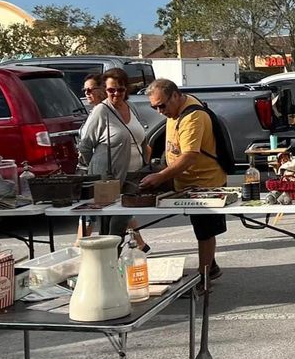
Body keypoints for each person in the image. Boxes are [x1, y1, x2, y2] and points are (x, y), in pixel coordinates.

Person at [140, 79, 227, 282]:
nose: (160, 111)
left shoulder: (193, 116)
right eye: (154, 107)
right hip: (186, 181)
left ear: (176, 95)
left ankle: (205, 278)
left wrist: (161, 176)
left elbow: (190, 156)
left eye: (162, 105)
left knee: (204, 231)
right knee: (201, 228)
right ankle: (210, 265)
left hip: (205, 182)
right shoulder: (175, 110)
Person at [77, 67, 146, 235]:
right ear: (104, 90)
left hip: (134, 174)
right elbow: (85, 146)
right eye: (110, 90)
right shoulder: (101, 110)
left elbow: (141, 138)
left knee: (122, 219)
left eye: (120, 89)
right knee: (113, 222)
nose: (116, 94)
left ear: (126, 89)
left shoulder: (131, 106)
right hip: (109, 177)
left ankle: (116, 254)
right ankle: (110, 255)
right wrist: (96, 169)